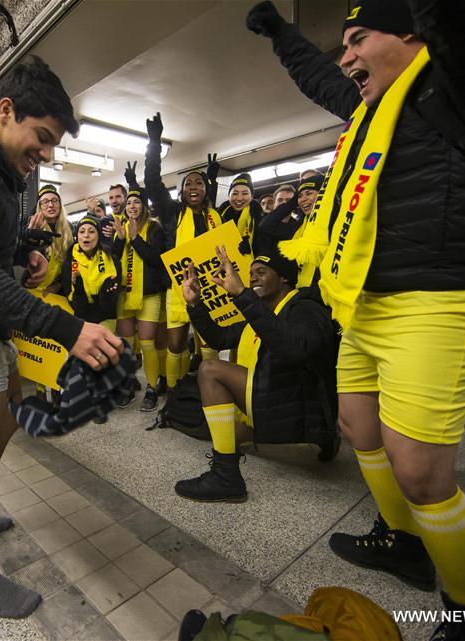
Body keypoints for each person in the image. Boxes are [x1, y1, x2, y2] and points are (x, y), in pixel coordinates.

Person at [247, 1, 465, 638]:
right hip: (366, 303)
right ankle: (403, 543)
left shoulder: (463, 86)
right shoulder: (368, 115)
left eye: (358, 39)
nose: (345, 56)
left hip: (442, 296)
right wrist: (280, 33)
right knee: (357, 424)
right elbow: (320, 78)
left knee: (421, 471)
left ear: (415, 33)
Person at [0, 56, 122, 619]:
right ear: (5, 112)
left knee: (5, 422)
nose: (48, 154)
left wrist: (24, 251)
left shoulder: (1, 176)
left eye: (54, 143)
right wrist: (70, 330)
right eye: (42, 137)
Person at [176, 248, 334, 501]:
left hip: (295, 403)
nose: (252, 279)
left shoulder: (306, 307)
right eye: (250, 275)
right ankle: (322, 436)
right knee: (218, 432)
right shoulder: (261, 312)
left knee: (210, 370)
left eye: (261, 272)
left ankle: (226, 476)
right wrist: (195, 304)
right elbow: (219, 338)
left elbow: (294, 350)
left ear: (284, 277)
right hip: (279, 397)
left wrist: (242, 294)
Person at [144, 113, 222, 392]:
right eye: (188, 184)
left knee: (210, 342)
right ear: (181, 191)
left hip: (210, 288)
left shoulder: (215, 217)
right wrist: (154, 143)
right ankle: (177, 394)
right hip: (177, 291)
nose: (193, 187)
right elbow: (152, 184)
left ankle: (211, 390)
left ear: (206, 189)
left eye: (199, 183)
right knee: (176, 343)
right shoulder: (172, 214)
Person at [109, 187, 168, 411]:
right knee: (126, 344)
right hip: (124, 293)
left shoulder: (155, 228)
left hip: (149, 294)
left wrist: (135, 239)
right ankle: (128, 384)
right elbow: (114, 260)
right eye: (129, 202)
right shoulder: (120, 228)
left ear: (144, 206)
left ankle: (152, 387)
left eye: (136, 202)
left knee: (147, 342)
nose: (132, 206)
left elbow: (156, 260)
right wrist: (120, 240)